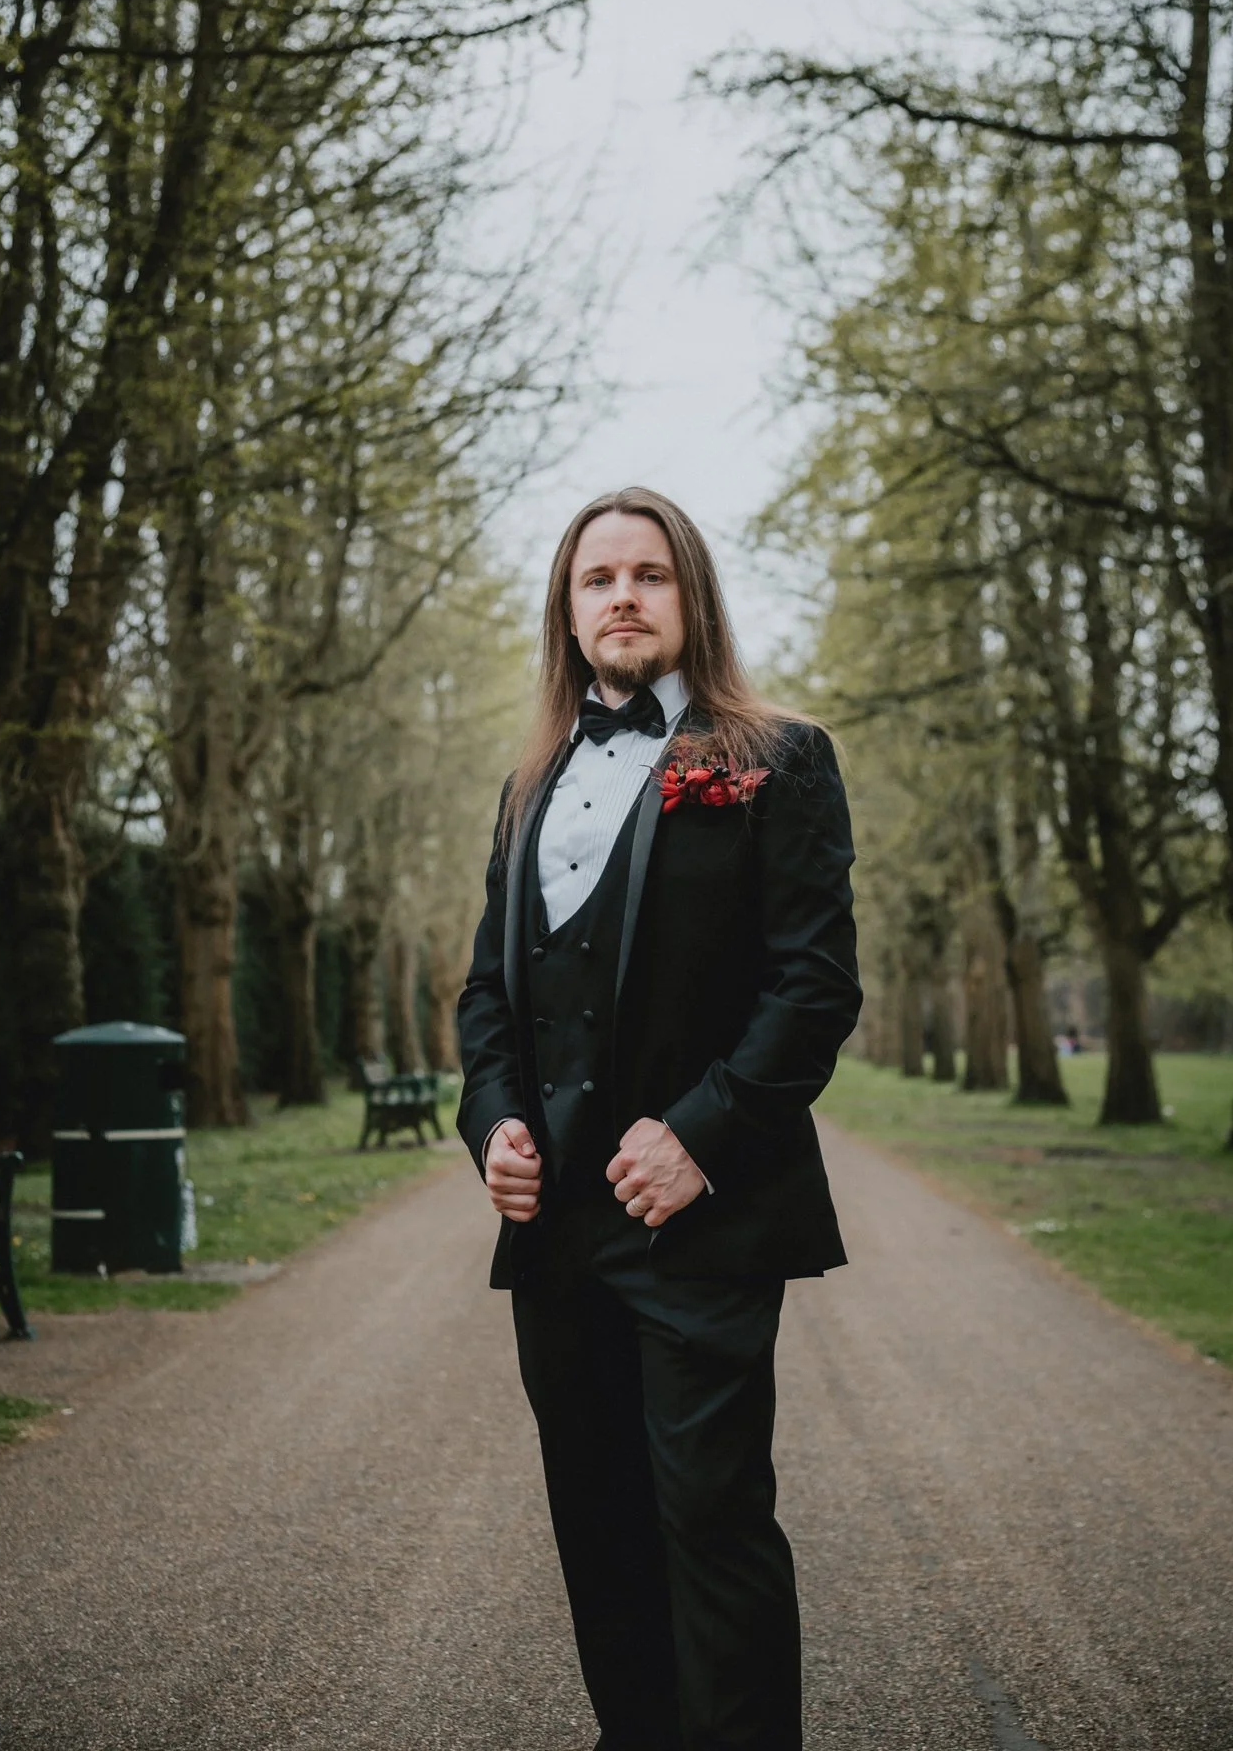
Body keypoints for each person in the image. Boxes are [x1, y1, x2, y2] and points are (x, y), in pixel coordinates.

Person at [456, 486, 861, 1751]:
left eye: (648, 574)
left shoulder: (780, 758)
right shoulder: (527, 785)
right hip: (557, 1237)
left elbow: (813, 987)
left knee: (713, 1525)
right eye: (598, 578)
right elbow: (487, 996)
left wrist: (699, 1134)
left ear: (691, 596)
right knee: (600, 1531)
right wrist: (494, 1125)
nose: (622, 596)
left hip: (703, 1223)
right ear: (569, 611)